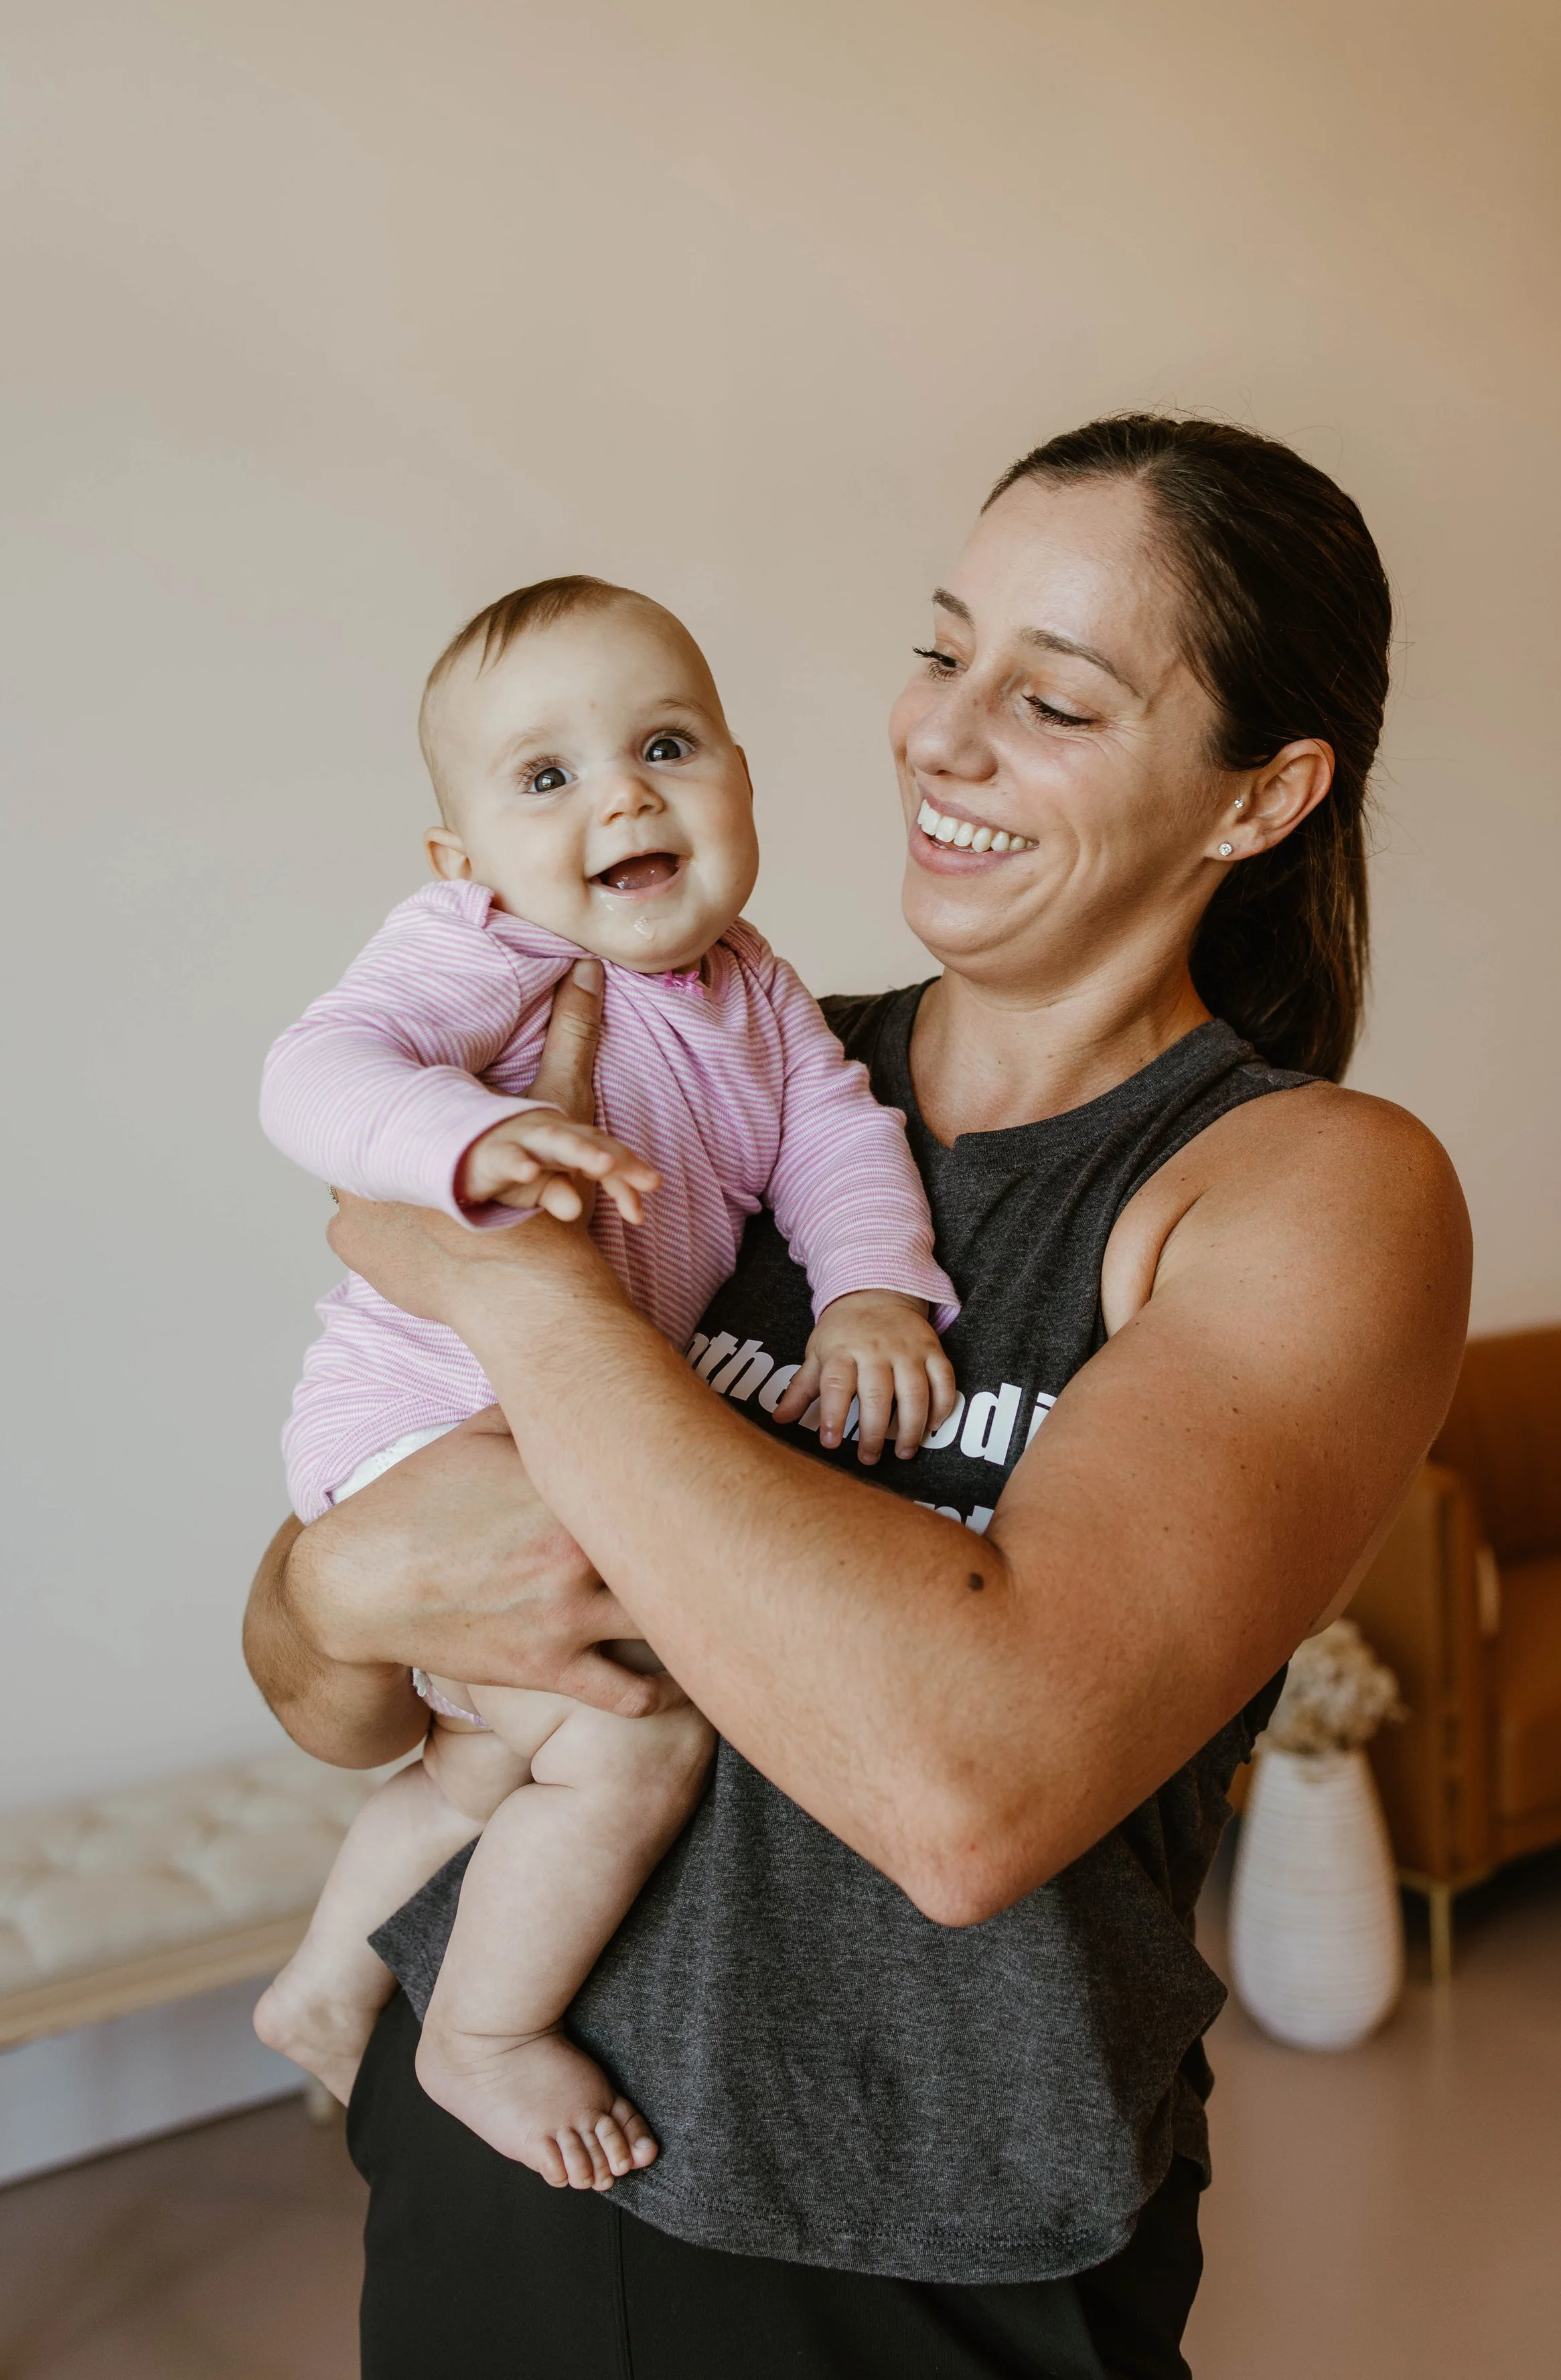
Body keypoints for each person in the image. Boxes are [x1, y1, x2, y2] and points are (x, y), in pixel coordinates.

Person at [244, 415, 1471, 2380]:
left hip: (916, 2262)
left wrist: (515, 1288)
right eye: (939, 650)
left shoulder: (1302, 1191)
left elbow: (963, 1797)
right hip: (489, 2165)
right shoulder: (700, 1058)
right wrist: (327, 1593)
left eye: (1050, 699)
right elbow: (334, 1687)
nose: (939, 738)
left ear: (1260, 796)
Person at [253, 573, 958, 2181]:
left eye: (665, 746)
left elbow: (837, 1144)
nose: (623, 797)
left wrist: (870, 1294)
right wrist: (473, 1136)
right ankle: (482, 2036)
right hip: (421, 1421)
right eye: (545, 777)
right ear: (463, 858)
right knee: (638, 1732)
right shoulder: (486, 949)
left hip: (541, 1425)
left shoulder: (760, 992)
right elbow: (312, 1073)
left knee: (489, 1754)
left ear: (742, 780)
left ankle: (321, 1983)